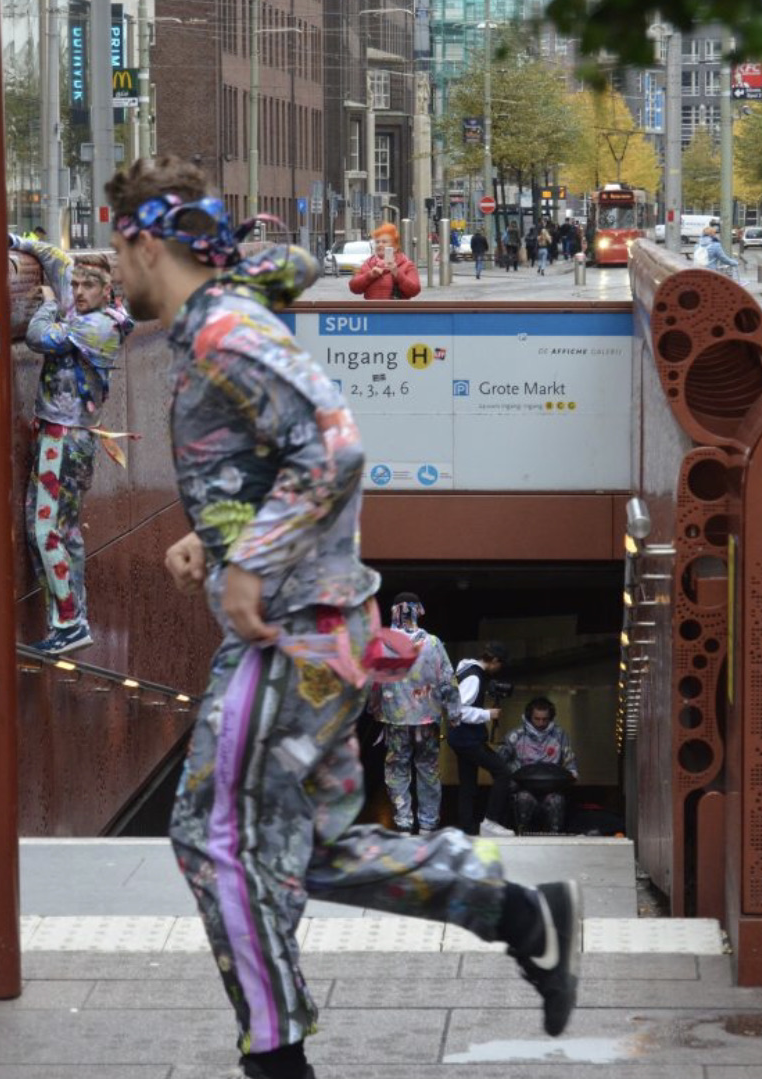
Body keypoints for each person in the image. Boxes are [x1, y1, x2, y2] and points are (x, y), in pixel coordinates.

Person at [105, 155, 580, 1079]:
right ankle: (522, 914)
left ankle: (276, 1060)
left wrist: (250, 558)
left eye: (113, 251)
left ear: (145, 243)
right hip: (316, 627)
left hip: (295, 630)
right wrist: (215, 533)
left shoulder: (225, 333)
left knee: (213, 836)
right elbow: (273, 455)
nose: (109, 269)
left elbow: (332, 447)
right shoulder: (222, 318)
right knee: (309, 845)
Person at [12, 236, 135, 655]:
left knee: (46, 528)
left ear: (107, 291)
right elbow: (54, 256)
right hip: (67, 435)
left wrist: (50, 304)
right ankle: (70, 617)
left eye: (88, 287)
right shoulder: (86, 305)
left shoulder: (99, 327)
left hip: (64, 439)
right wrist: (16, 241)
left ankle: (68, 621)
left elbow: (39, 337)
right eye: (76, 285)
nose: (78, 292)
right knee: (65, 531)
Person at [369, 592, 456, 834]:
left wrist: (374, 709)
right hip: (427, 719)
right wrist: (454, 713)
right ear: (418, 610)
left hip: (395, 719)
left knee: (397, 770)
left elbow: (372, 682)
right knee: (428, 770)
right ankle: (428, 825)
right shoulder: (433, 643)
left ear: (394, 611)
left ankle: (403, 823)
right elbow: (447, 680)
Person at [447, 642, 517, 837]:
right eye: (500, 664)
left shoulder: (466, 668)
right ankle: (490, 822)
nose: (500, 669)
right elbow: (459, 711)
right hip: (467, 739)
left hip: (460, 738)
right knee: (503, 772)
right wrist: (488, 714)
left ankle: (467, 828)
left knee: (468, 784)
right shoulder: (474, 677)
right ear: (494, 660)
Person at [498, 698, 579, 834]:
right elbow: (499, 762)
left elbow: (569, 759)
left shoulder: (560, 735)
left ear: (551, 718)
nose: (541, 723)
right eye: (537, 719)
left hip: (552, 788)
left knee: (557, 801)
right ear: (529, 717)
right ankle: (522, 834)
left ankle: (555, 837)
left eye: (545, 719)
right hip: (523, 787)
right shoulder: (516, 735)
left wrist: (572, 773)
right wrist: (512, 773)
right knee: (523, 799)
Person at [349, 222, 420, 300]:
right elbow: (354, 288)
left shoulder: (407, 265)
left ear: (395, 247)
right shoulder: (368, 264)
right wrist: (370, 275)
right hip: (373, 307)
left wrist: (397, 274)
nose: (380, 245)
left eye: (384, 242)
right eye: (377, 242)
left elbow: (414, 290)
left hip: (397, 308)